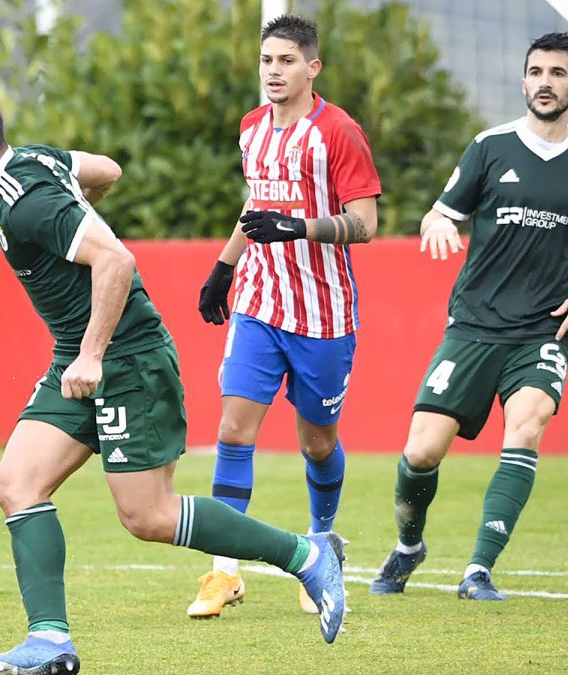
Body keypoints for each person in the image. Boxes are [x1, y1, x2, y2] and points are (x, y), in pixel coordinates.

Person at [0, 85, 350, 673]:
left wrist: (92, 353)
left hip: (124, 358)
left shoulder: (26, 202)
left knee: (147, 516)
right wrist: (85, 212)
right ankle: (49, 643)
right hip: (78, 353)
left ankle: (308, 554)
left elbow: (117, 259)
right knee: (18, 484)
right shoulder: (32, 161)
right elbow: (106, 169)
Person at [370, 32, 568, 601]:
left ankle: (478, 570)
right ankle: (409, 546)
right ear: (523, 81)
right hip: (474, 327)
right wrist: (437, 222)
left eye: (557, 74)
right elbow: (440, 212)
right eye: (536, 72)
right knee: (420, 451)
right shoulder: (490, 146)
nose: (544, 82)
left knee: (528, 426)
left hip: (544, 331)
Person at [190, 14, 381, 618]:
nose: (274, 71)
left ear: (312, 68)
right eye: (267, 60)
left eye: (287, 61)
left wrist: (299, 227)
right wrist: (224, 266)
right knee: (231, 432)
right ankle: (224, 572)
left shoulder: (339, 133)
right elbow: (256, 205)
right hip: (260, 303)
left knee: (317, 443)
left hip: (323, 315)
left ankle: (322, 546)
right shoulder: (251, 129)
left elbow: (366, 224)